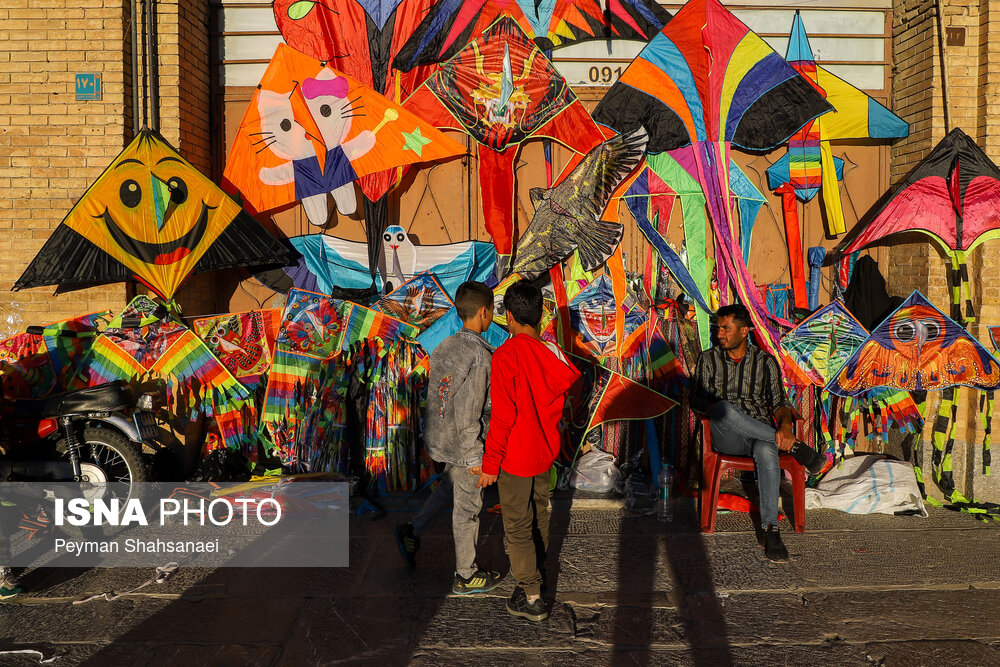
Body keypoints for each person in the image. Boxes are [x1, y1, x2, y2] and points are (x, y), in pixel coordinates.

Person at [478, 280, 581, 622]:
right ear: (540, 315)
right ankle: (536, 578)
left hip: (515, 457)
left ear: (509, 316)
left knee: (518, 526)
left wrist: (490, 462)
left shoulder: (507, 355)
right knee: (540, 516)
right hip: (543, 455)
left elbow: (503, 417)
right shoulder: (553, 353)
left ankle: (533, 595)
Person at [393, 281, 504, 595]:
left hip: (441, 438)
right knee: (467, 508)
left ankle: (412, 530)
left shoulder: (445, 346)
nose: (492, 316)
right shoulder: (481, 356)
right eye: (492, 311)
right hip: (464, 442)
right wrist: (474, 456)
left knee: (449, 488)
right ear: (484, 312)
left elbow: (442, 397)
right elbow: (469, 410)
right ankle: (466, 575)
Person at [692, 304, 825, 562]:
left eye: (725, 328)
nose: (719, 334)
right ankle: (796, 447)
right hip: (725, 434)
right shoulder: (708, 359)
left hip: (758, 436)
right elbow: (696, 399)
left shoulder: (765, 362)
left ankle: (770, 528)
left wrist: (786, 426)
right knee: (725, 409)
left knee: (766, 449)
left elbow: (780, 405)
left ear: (744, 331)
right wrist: (783, 437)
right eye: (718, 328)